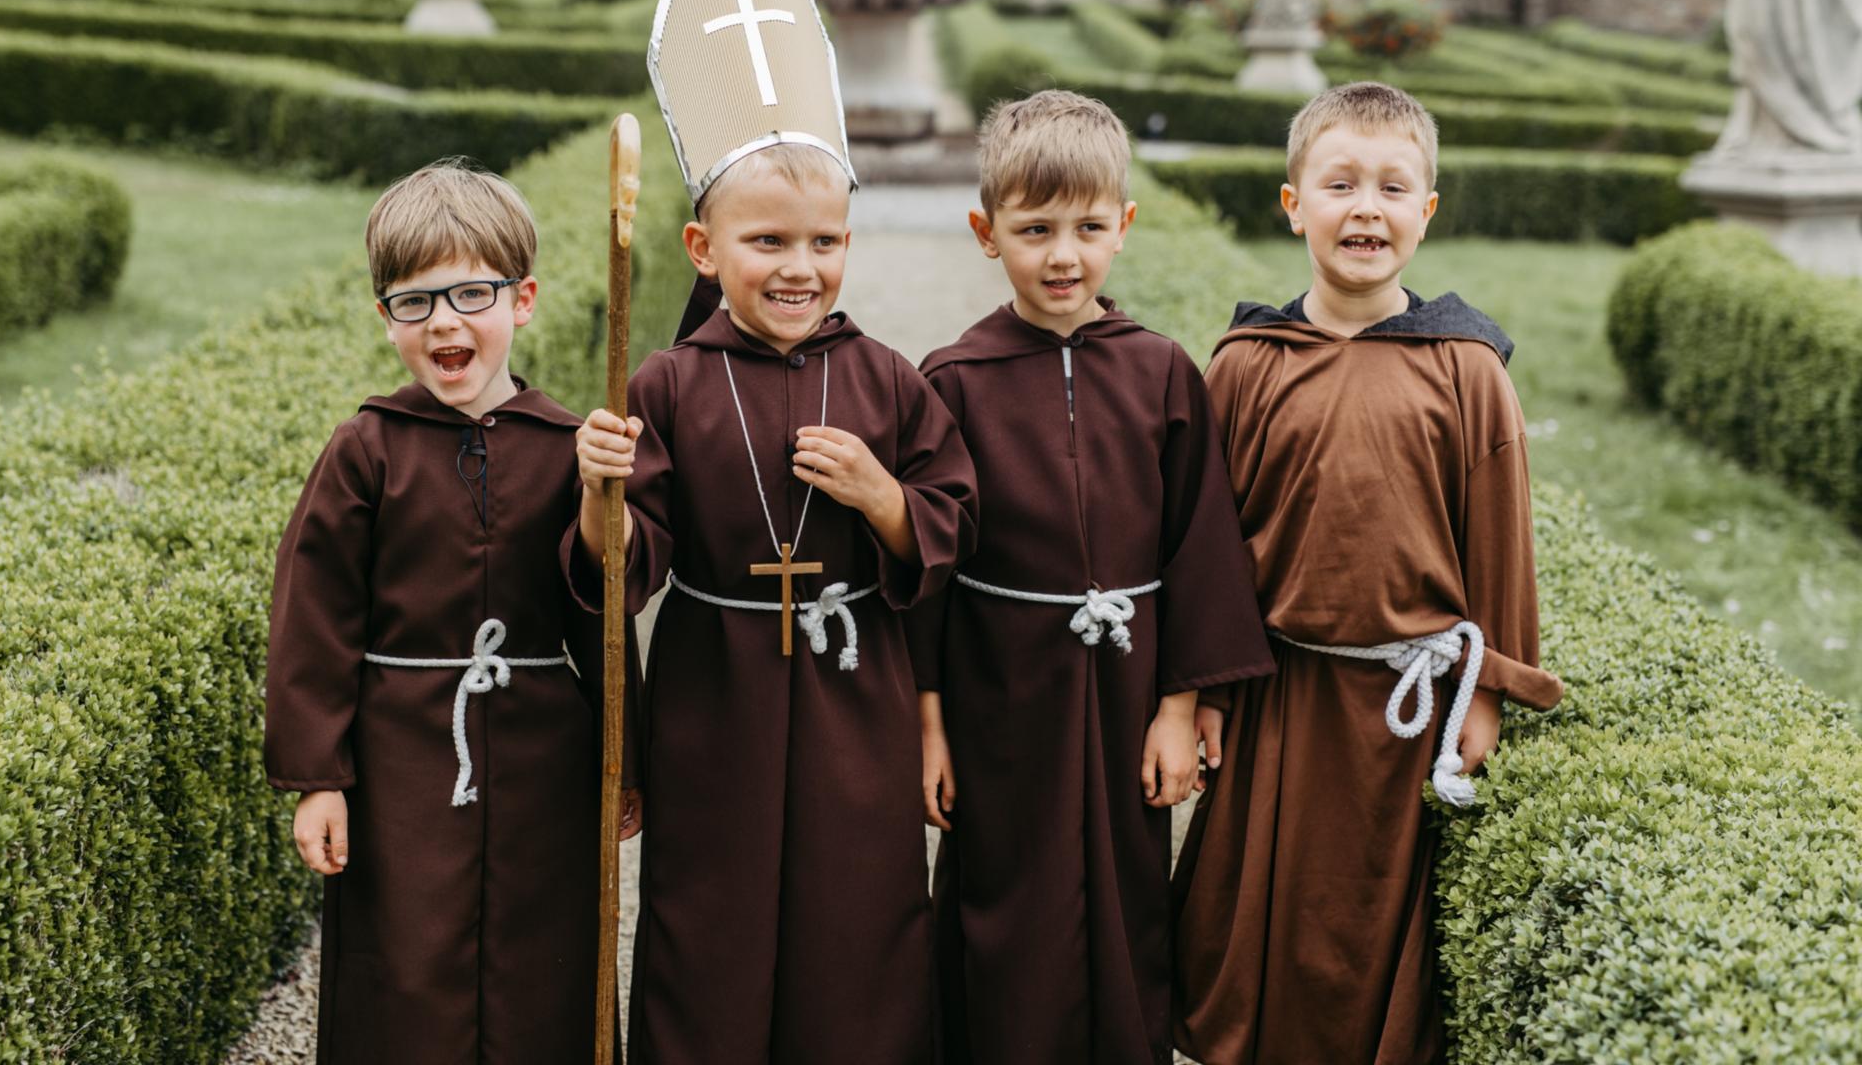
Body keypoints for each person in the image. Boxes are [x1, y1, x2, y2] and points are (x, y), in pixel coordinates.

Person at [1170, 82, 1566, 1064]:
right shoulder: (1244, 365)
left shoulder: (1465, 369)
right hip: (1276, 700)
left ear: (1425, 211)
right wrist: (1204, 690)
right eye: (1339, 183)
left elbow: (1498, 545)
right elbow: (1206, 547)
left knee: (1373, 937)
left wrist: (1488, 692)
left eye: (1392, 188)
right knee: (1258, 919)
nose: (1365, 209)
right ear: (1291, 202)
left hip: (1407, 710)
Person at [570, 139, 979, 1065]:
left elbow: (951, 528)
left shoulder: (885, 377)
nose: (801, 269)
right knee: (709, 919)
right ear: (702, 249)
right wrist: (605, 496)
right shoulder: (668, 383)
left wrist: (883, 497)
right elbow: (623, 567)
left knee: (861, 914)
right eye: (768, 242)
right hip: (719, 700)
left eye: (825, 241)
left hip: (854, 691)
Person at [908, 88, 1275, 1065]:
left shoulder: (1159, 373)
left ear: (1124, 225)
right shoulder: (950, 381)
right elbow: (929, 565)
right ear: (987, 234)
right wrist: (929, 721)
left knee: (1121, 886)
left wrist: (1179, 704)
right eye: (1033, 230)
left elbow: (1196, 544)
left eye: (1086, 227)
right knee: (1000, 882)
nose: (1061, 254)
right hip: (999, 692)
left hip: (1123, 689)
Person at [263, 158, 637, 1064]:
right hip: (403, 761)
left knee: (544, 963)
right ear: (385, 317)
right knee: (407, 961)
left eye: (472, 293)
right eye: (413, 302)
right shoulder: (367, 451)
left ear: (525, 300)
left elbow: (609, 613)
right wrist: (321, 776)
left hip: (546, 758)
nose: (445, 322)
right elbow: (313, 617)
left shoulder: (570, 448)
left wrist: (629, 761)